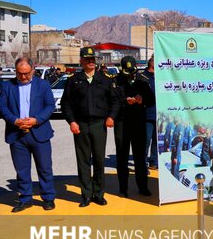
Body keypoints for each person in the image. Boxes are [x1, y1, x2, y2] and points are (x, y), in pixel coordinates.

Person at [61, 47, 120, 207]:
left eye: (93, 59)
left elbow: (115, 101)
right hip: (80, 125)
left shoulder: (105, 79)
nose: (91, 62)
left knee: (99, 160)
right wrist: (71, 121)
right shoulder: (74, 80)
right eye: (87, 59)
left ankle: (99, 194)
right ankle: (86, 195)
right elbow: (65, 103)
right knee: (83, 161)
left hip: (99, 124)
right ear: (81, 61)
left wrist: (111, 117)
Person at [0, 58, 56, 212]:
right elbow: (2, 107)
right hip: (16, 135)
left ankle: (48, 198)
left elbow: (50, 105)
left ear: (33, 70)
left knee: (44, 168)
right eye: (19, 73)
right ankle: (25, 198)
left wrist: (36, 120)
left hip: (39, 133)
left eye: (26, 73)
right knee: (22, 170)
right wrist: (15, 121)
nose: (23, 77)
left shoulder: (42, 85)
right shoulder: (6, 86)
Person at [114, 55, 155, 198]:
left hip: (138, 122)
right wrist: (126, 101)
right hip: (122, 123)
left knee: (140, 157)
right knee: (122, 156)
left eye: (132, 71)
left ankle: (143, 186)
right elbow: (112, 100)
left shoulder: (143, 81)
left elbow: (151, 100)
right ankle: (123, 188)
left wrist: (141, 100)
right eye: (128, 72)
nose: (131, 74)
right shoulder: (116, 81)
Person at [142, 56, 158, 169]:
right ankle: (142, 164)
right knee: (146, 141)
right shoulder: (142, 77)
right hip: (146, 115)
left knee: (156, 141)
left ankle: (153, 162)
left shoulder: (160, 76)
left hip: (159, 115)